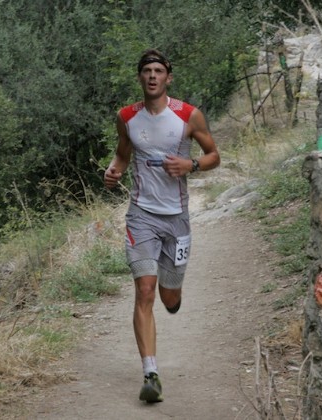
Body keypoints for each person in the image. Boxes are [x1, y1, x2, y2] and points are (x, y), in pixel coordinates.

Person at [103, 49, 220, 403]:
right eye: (146, 71)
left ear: (168, 77)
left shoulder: (188, 115)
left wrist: (192, 166)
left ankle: (175, 294)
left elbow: (214, 155)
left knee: (168, 296)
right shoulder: (127, 117)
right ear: (139, 77)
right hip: (141, 216)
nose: (152, 76)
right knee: (145, 292)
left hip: (177, 219)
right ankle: (150, 373)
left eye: (158, 71)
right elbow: (123, 153)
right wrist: (114, 170)